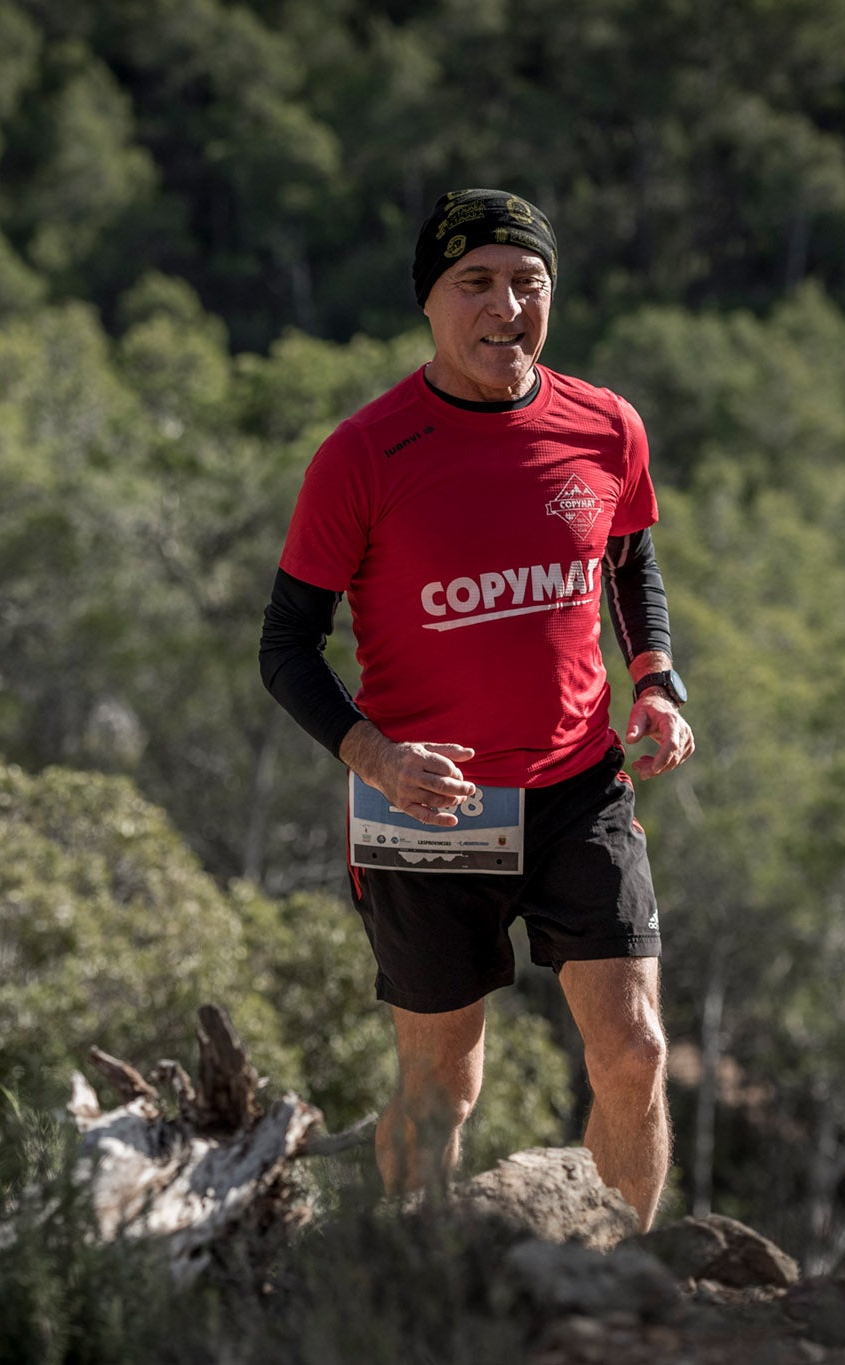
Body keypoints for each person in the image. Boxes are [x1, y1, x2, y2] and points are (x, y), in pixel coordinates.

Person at [259, 188, 694, 1228]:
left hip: (575, 786)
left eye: (527, 282)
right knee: (440, 1089)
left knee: (632, 1051)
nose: (506, 305)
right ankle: (417, 1302)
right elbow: (284, 646)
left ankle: (620, 1290)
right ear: (428, 302)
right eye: (477, 284)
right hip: (426, 809)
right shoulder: (362, 456)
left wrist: (657, 681)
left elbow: (630, 565)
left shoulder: (603, 427)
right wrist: (373, 758)